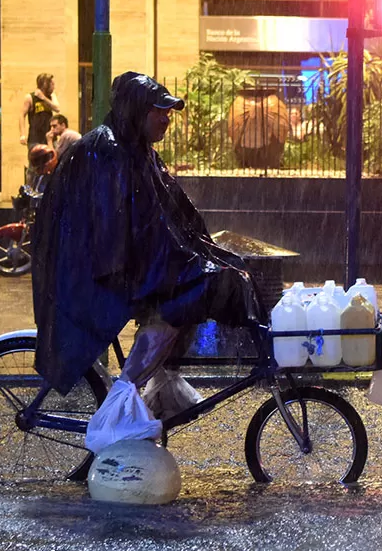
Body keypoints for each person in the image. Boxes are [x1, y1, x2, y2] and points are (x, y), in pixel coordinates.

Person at [31, 71, 257, 421]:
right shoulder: (108, 152)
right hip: (96, 270)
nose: (167, 120)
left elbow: (172, 212)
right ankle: (123, 404)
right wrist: (169, 266)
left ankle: (160, 391)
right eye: (159, 112)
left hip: (121, 263)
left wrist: (207, 254)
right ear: (137, 112)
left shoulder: (140, 152)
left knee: (197, 292)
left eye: (168, 113)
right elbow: (118, 231)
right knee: (178, 303)